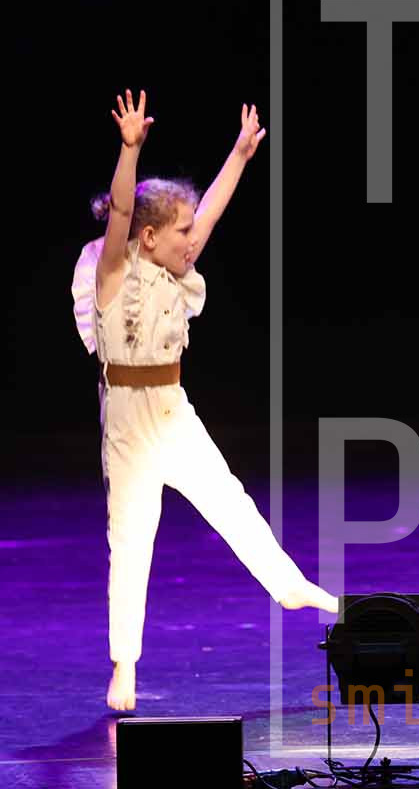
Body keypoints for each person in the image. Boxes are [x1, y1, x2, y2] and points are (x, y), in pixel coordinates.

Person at [72, 89, 338, 711]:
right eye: (181, 231)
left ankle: (291, 587)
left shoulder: (175, 270)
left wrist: (240, 155)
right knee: (131, 539)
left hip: (172, 409)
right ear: (148, 237)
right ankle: (125, 664)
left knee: (231, 503)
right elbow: (120, 209)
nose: (192, 239)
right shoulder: (112, 271)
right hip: (128, 421)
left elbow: (210, 213)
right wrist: (129, 149)